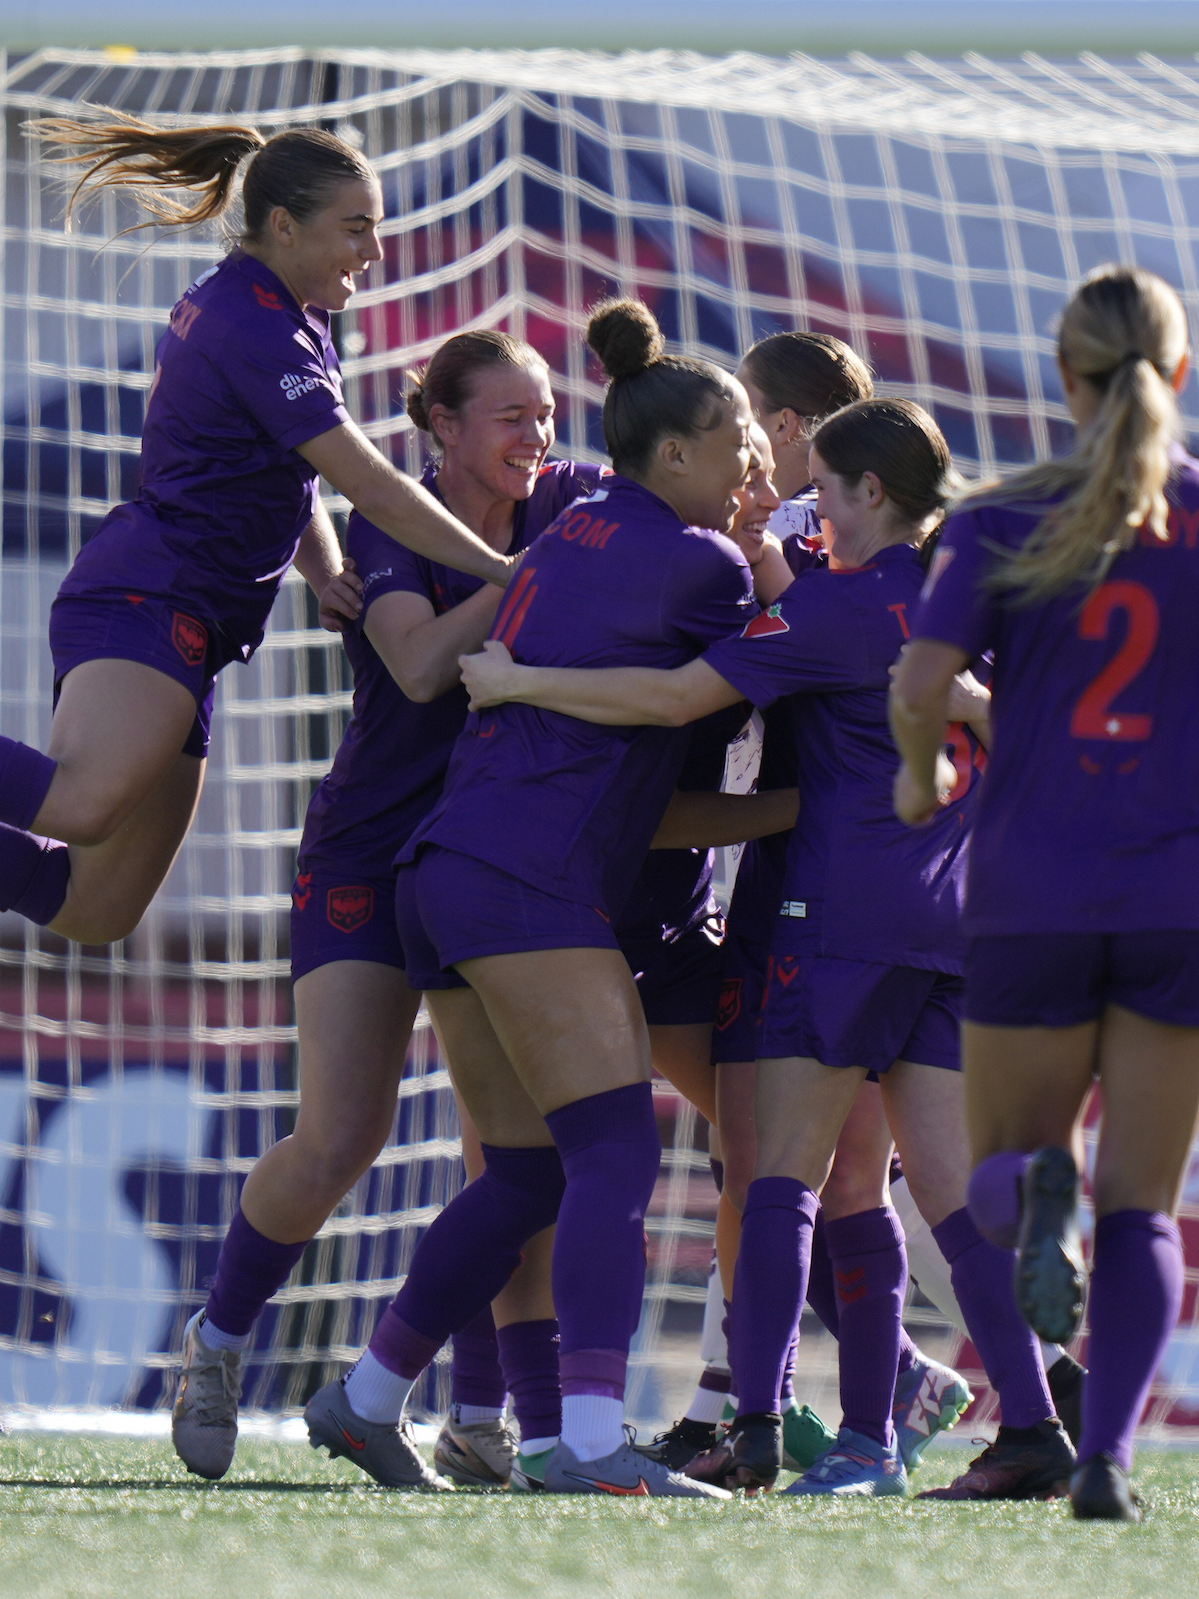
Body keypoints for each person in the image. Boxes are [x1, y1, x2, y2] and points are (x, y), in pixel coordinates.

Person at [0, 116, 512, 947]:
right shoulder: (254, 322)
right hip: (150, 596)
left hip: (192, 621)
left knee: (96, 909)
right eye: (356, 227)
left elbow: (295, 468)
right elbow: (372, 484)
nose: (375, 250)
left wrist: (322, 570)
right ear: (285, 226)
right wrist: (507, 571)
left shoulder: (290, 313)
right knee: (80, 802)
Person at [461, 398, 1044, 1497]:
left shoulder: (837, 606)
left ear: (870, 492)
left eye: (821, 486)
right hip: (952, 924)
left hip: (839, 920)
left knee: (780, 1179)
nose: (806, 506)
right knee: (942, 1200)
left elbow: (677, 695)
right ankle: (1027, 1427)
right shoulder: (975, 598)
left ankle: (762, 1423)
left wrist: (521, 680)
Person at [891, 265, 1199, 1521]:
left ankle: (1035, 1206)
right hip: (1186, 897)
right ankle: (1105, 1461)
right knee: (1144, 1209)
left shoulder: (1001, 518)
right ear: (1182, 371)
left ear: (1063, 373)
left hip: (1033, 890)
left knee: (1001, 1177)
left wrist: (917, 773)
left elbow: (921, 680)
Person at [307, 298, 758, 1498]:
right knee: (613, 1151)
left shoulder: (567, 535)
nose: (753, 464)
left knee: (523, 1174)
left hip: (440, 873)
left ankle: (367, 1397)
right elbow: (738, 684)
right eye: (738, 443)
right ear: (675, 454)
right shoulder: (704, 564)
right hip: (529, 883)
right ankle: (588, 1441)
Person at [166, 331, 600, 1488]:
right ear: (440, 427)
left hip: (492, 864)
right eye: (510, 415)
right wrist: (523, 577)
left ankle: (499, 1421)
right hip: (369, 853)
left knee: (519, 1160)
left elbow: (669, 510)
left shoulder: (574, 498)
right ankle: (218, 1341)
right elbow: (414, 668)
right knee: (342, 1137)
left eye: (546, 413)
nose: (537, 436)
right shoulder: (393, 523)